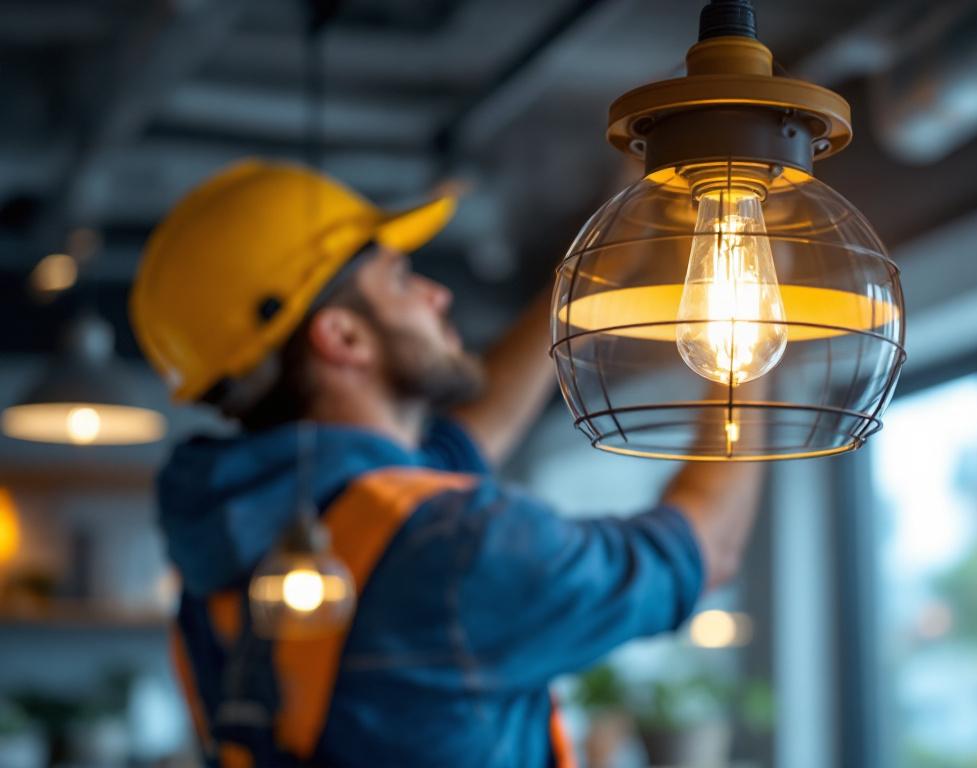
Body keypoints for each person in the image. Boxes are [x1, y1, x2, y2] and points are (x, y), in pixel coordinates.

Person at [130, 160, 765, 767]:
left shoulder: (241, 542)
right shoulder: (456, 549)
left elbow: (462, 445)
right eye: (400, 279)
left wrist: (605, 258)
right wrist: (753, 326)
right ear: (343, 337)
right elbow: (706, 548)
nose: (436, 294)